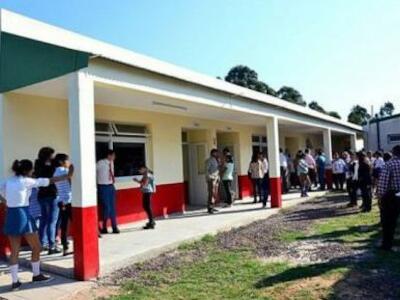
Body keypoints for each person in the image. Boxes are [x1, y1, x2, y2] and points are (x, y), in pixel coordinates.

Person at [0, 159, 73, 290]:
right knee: (37, 247)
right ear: (27, 170)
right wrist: (67, 176)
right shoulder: (27, 181)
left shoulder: (7, 181)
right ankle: (36, 274)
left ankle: (15, 282)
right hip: (23, 214)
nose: (33, 171)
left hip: (11, 215)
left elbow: (1, 193)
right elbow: (48, 181)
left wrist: (6, 202)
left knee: (14, 251)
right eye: (31, 169)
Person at [34, 147, 60, 254]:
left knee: (44, 220)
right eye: (52, 155)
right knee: (52, 221)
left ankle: (42, 244)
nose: (54, 157)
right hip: (52, 195)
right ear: (49, 156)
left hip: (41, 195)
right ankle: (52, 246)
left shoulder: (37, 164)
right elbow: (53, 176)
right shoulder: (51, 167)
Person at [377, 145, 400, 251]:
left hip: (393, 196)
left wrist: (380, 197)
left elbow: (383, 183)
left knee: (389, 222)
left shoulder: (389, 164)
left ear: (393, 153)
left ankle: (387, 244)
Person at [53, 153, 73, 256]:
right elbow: (72, 177)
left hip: (61, 201)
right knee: (76, 224)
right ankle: (76, 246)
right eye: (67, 160)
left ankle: (65, 248)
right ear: (62, 162)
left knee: (64, 226)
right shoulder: (63, 171)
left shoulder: (55, 172)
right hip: (69, 201)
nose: (68, 162)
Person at [97, 149, 120, 234]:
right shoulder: (100, 163)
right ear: (109, 155)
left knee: (112, 208)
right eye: (113, 155)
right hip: (103, 186)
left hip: (111, 186)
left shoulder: (111, 163)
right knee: (106, 208)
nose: (114, 157)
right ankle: (104, 227)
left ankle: (114, 227)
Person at [134, 165, 156, 229]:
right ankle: (152, 221)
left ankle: (151, 222)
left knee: (147, 207)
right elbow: (142, 182)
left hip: (148, 192)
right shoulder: (145, 175)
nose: (139, 171)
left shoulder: (147, 175)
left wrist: (137, 181)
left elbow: (144, 184)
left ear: (144, 169)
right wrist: (138, 181)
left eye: (140, 170)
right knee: (146, 206)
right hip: (146, 192)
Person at [205, 149, 220, 214]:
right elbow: (206, 169)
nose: (217, 154)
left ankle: (213, 206)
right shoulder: (209, 160)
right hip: (212, 178)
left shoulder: (216, 160)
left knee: (215, 193)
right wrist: (209, 177)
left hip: (216, 178)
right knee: (211, 193)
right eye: (216, 153)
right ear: (213, 153)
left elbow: (217, 169)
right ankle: (210, 208)